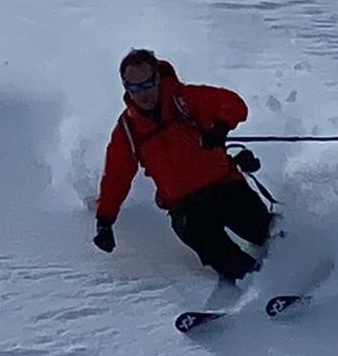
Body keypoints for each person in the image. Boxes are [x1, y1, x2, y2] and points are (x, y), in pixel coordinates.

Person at [92, 48, 272, 282]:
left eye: (146, 85)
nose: (142, 95)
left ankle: (302, 260)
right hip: (185, 207)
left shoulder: (185, 100)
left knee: (265, 232)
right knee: (207, 241)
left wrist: (220, 129)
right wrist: (105, 222)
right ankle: (251, 280)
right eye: (133, 88)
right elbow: (116, 177)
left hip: (224, 187)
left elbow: (234, 104)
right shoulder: (128, 129)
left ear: (157, 78)